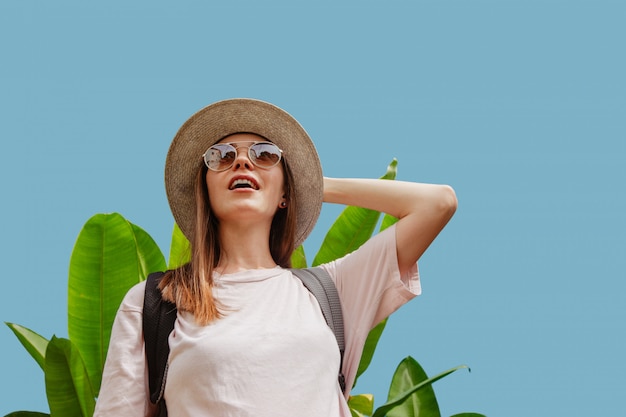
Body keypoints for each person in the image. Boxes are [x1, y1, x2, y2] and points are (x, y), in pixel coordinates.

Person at [94, 98, 457, 417]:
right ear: (205, 190)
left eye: (264, 155)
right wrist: (276, 174)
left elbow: (437, 204)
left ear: (285, 193)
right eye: (221, 156)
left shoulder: (331, 290)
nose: (241, 162)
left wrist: (309, 184)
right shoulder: (155, 302)